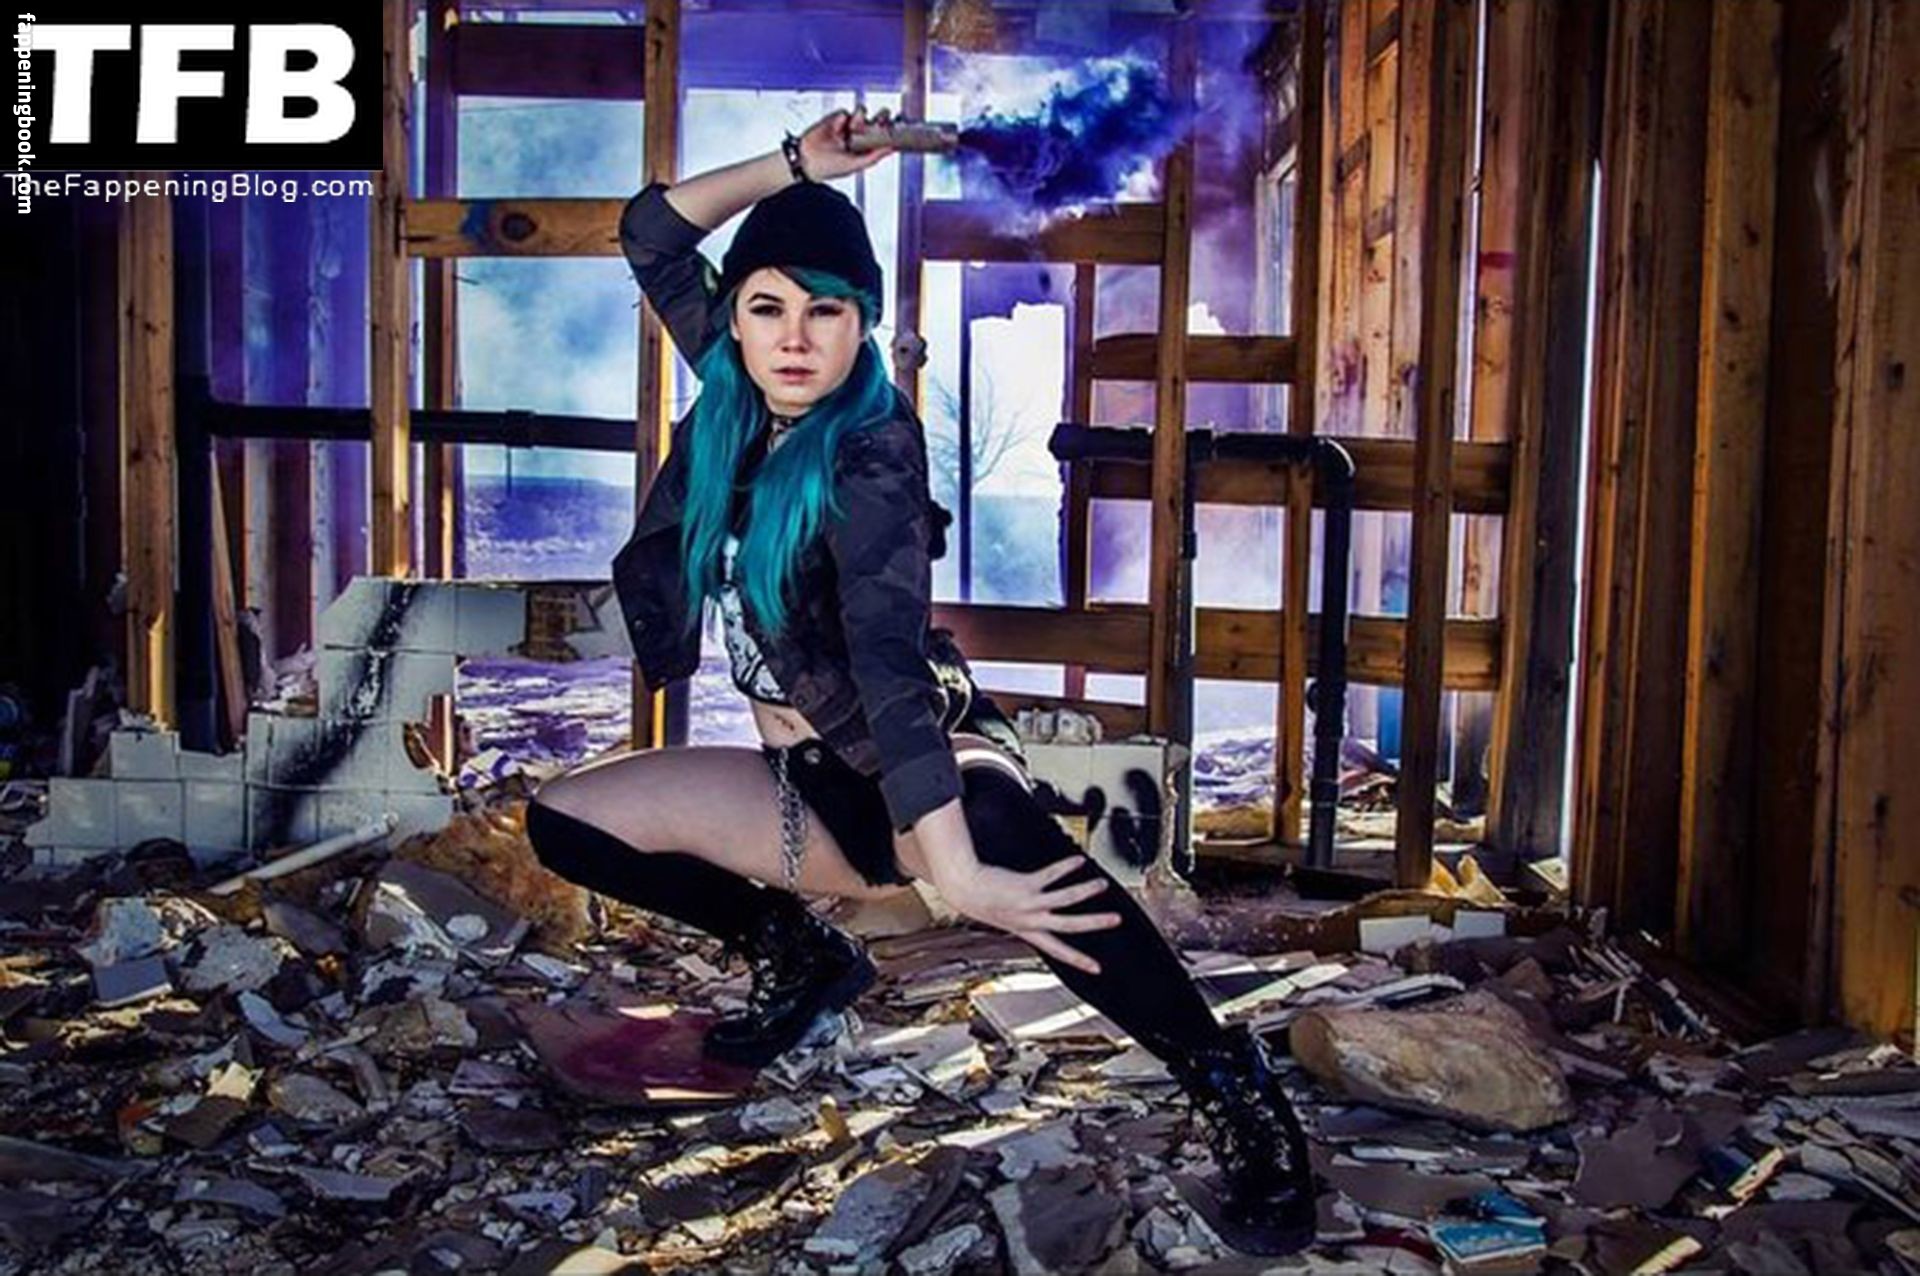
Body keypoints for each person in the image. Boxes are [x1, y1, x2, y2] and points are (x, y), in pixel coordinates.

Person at [522, 107, 1317, 1254]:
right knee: (565, 821)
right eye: (768, 307)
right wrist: (797, 165)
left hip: (915, 747)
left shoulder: (872, 450)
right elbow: (650, 233)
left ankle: (1237, 1094)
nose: (796, 339)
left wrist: (957, 872)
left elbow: (890, 666)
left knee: (1013, 859)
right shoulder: (734, 388)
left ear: (864, 324)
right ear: (735, 317)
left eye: (828, 312)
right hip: (805, 777)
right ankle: (798, 954)